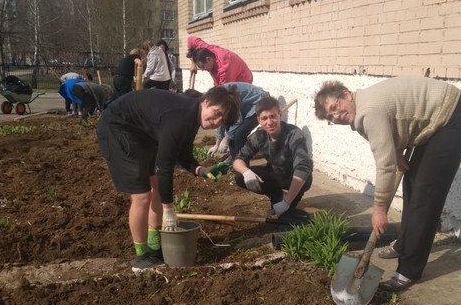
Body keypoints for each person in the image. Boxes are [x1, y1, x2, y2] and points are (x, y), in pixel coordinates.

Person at [314, 76, 461, 292]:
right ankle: (405, 244)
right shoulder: (359, 109)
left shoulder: (368, 112)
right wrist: (398, 152)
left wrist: (379, 209)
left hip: (453, 116)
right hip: (435, 119)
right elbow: (394, 126)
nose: (336, 116)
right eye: (330, 117)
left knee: (425, 195)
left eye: (335, 107)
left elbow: (385, 165)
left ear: (346, 94)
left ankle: (409, 270)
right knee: (412, 181)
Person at [96, 86, 240, 271]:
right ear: (205, 101)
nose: (217, 121)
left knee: (156, 182)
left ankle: (154, 244)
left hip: (141, 133)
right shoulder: (180, 116)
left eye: (223, 120)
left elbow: (183, 155)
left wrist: (201, 170)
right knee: (142, 195)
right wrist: (169, 209)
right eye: (217, 113)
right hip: (117, 128)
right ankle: (141, 257)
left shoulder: (192, 116)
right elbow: (164, 166)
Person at [233, 96, 313, 217]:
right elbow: (238, 159)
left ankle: (290, 198)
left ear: (280, 115)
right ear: (258, 120)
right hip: (276, 174)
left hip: (295, 177)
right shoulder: (259, 135)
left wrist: (286, 202)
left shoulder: (294, 134)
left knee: (287, 213)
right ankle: (276, 195)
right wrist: (246, 172)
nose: (269, 122)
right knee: (239, 176)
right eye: (264, 118)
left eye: (273, 116)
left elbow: (303, 166)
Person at [208, 82, 270, 162]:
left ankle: (243, 165)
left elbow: (238, 120)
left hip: (261, 101)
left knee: (239, 134)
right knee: (230, 127)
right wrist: (217, 144)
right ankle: (235, 162)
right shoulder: (216, 99)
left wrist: (226, 139)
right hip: (247, 104)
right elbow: (221, 120)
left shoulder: (226, 98)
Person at [186, 36, 253, 86]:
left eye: (203, 67)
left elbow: (223, 93)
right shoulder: (207, 49)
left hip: (243, 81)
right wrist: (193, 63)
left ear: (208, 59)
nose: (203, 70)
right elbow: (190, 39)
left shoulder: (224, 69)